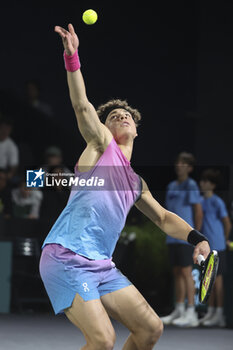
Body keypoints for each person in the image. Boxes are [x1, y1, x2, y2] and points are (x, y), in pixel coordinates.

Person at [39, 23, 210, 350]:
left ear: (137, 130)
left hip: (102, 266)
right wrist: (72, 58)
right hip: (67, 257)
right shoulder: (101, 147)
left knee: (149, 329)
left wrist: (197, 239)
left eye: (126, 115)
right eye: (114, 116)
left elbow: (163, 219)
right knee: (103, 340)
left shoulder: (135, 182)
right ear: (102, 128)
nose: (121, 116)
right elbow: (82, 105)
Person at [161, 152, 203, 327]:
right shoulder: (171, 186)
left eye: (184, 163)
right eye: (178, 162)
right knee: (177, 272)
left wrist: (197, 238)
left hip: (186, 238)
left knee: (186, 273)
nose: (179, 165)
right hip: (172, 238)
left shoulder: (191, 184)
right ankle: (179, 308)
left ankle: (191, 312)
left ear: (190, 168)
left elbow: (198, 211)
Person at [199, 168, 232, 327]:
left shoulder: (217, 201)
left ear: (212, 185)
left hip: (218, 246)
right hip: (207, 246)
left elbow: (227, 223)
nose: (202, 183)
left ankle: (219, 314)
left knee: (216, 281)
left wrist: (223, 240)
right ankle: (211, 312)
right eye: (202, 180)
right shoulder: (200, 201)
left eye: (205, 181)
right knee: (208, 280)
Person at [0, 116, 19, 180]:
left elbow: (13, 166)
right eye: (3, 128)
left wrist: (8, 175)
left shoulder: (12, 146)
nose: (5, 131)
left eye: (8, 129)